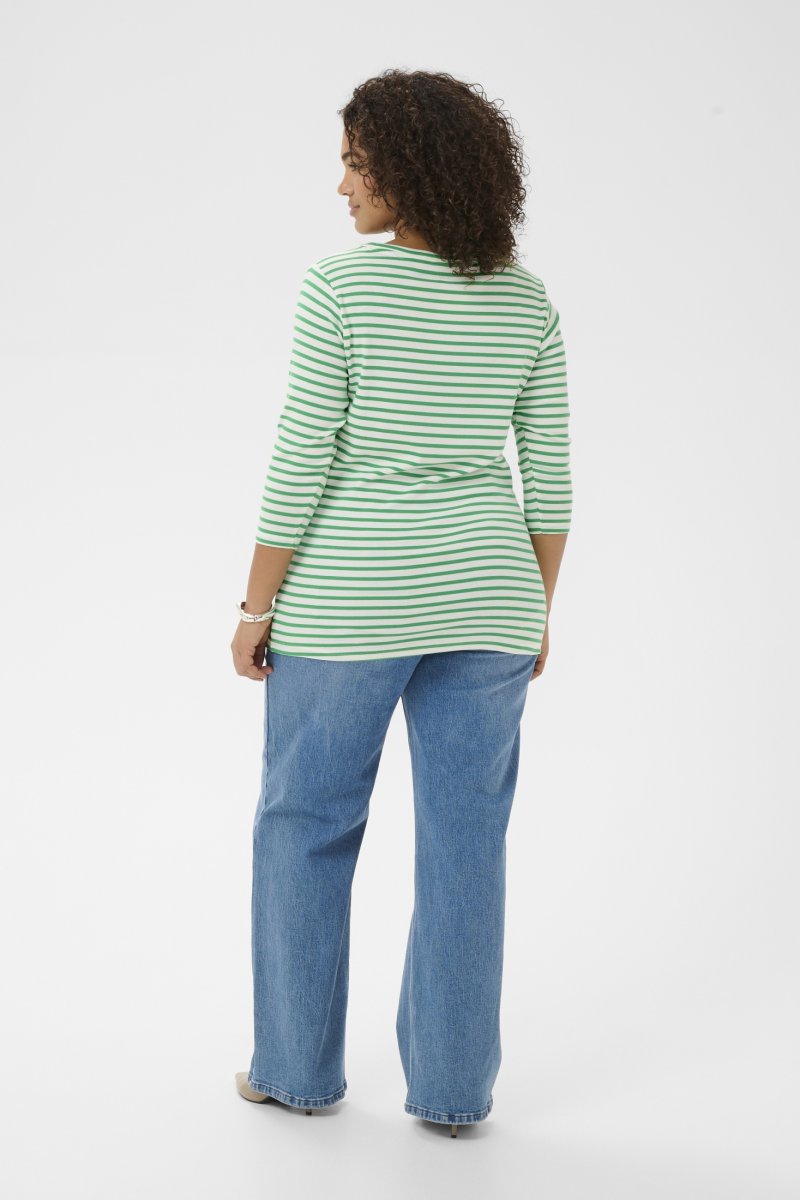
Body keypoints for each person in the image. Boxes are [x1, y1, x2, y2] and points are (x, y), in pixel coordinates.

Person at [231, 69, 572, 1135]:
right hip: (490, 603)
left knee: (306, 825)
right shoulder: (526, 300)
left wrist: (254, 608)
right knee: (468, 846)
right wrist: (534, 613)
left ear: (407, 170)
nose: (340, 186)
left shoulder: (340, 289)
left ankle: (294, 1071)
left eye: (354, 163)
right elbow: (549, 479)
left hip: (350, 604)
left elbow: (302, 457)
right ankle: (455, 1094)